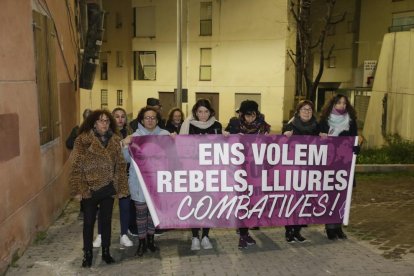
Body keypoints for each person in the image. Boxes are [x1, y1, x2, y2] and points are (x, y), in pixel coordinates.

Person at [70, 109, 129, 268]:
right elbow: (76, 166)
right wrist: (78, 190)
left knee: (106, 221)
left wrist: (121, 187)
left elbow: (121, 165)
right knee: (88, 222)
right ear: (94, 123)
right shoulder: (82, 140)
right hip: (89, 188)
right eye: (101, 121)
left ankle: (106, 251)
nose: (104, 124)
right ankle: (87, 254)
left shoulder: (115, 140)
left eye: (107, 121)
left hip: (108, 188)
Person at [122, 107, 170, 257]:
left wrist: (175, 141)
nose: (150, 120)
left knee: (153, 214)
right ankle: (142, 242)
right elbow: (126, 159)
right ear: (141, 120)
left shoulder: (164, 135)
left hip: (157, 182)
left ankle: (151, 240)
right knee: (141, 214)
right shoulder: (135, 137)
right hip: (139, 183)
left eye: (153, 118)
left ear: (157, 120)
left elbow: (173, 155)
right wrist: (124, 145)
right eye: (147, 118)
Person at [224, 100, 270, 249]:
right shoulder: (234, 125)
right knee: (243, 202)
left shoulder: (263, 127)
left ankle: (246, 232)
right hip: (238, 170)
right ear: (242, 114)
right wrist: (227, 135)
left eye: (253, 115)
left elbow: (270, 146)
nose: (250, 118)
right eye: (247, 115)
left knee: (253, 202)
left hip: (256, 171)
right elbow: (223, 141)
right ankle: (243, 235)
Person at [179, 99, 222, 250]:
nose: (203, 115)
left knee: (209, 204)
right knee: (195, 204)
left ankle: (205, 236)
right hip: (193, 172)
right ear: (195, 112)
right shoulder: (188, 125)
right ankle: (195, 236)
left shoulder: (217, 126)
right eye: (200, 112)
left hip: (211, 172)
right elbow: (182, 147)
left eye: (206, 111)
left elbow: (221, 148)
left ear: (210, 112)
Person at [92, 108, 134, 248]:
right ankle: (100, 235)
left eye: (123, 116)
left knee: (125, 206)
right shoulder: (106, 134)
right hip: (107, 177)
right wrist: (123, 144)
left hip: (124, 175)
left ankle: (123, 234)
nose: (120, 119)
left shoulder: (130, 133)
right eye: (117, 116)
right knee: (104, 208)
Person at [319, 94, 358, 240]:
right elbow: (315, 141)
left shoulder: (351, 121)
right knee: (330, 195)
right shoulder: (324, 121)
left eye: (344, 103)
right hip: (329, 164)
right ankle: (330, 227)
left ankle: (338, 226)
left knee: (342, 195)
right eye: (338, 103)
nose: (342, 105)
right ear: (333, 104)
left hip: (344, 165)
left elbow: (355, 139)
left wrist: (356, 148)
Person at [282, 100, 319, 243]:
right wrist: (285, 136)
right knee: (292, 201)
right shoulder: (290, 126)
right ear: (298, 111)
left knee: (304, 201)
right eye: (304, 109)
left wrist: (324, 138)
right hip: (293, 170)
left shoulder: (317, 126)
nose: (307, 112)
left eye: (309, 109)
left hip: (309, 170)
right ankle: (288, 230)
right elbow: (280, 146)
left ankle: (297, 230)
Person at [66, 108, 92, 220]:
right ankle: (83, 210)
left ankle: (93, 209)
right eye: (86, 118)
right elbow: (69, 143)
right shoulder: (77, 130)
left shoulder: (98, 130)